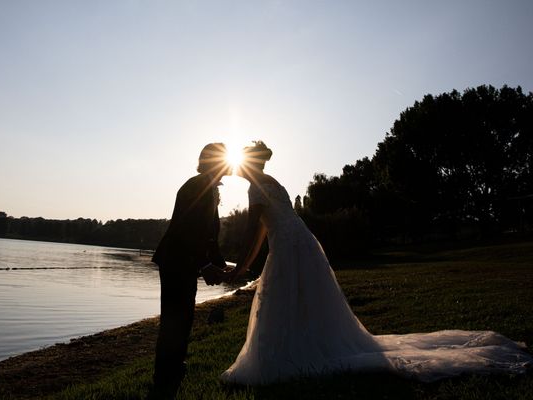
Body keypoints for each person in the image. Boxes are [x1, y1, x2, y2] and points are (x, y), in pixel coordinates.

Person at [221, 140, 532, 385]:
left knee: (283, 298)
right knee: (302, 299)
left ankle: (287, 354)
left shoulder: (255, 188)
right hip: (301, 240)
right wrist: (246, 266)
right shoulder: (271, 181)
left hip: (290, 245)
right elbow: (263, 231)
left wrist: (242, 266)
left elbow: (252, 231)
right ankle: (305, 343)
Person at [151, 142, 232, 394]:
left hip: (185, 262)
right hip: (176, 261)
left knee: (183, 317)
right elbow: (186, 230)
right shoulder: (196, 186)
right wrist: (205, 264)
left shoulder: (207, 187)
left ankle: (174, 367)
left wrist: (221, 264)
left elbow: (208, 235)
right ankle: (165, 376)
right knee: (175, 319)